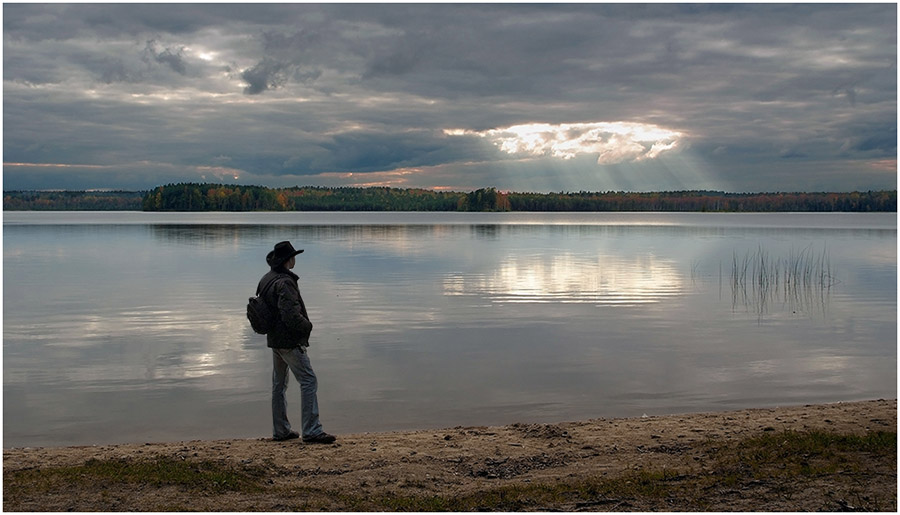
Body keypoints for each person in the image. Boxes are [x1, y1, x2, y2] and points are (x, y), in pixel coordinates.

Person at [257, 241, 336, 444]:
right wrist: (307, 326)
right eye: (293, 256)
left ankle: (281, 430)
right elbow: (290, 315)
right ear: (287, 260)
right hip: (289, 341)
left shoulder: (267, 279)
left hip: (275, 340)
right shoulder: (285, 282)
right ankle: (311, 430)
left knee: (279, 385)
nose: (294, 259)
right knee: (308, 381)